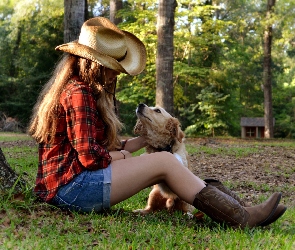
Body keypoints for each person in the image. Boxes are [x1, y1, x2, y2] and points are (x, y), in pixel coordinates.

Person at [28, 17, 286, 229]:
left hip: (68, 187)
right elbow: (89, 158)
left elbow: (99, 148)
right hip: (72, 190)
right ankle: (241, 218)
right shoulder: (79, 94)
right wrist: (126, 158)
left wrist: (140, 142)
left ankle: (240, 210)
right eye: (113, 67)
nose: (116, 74)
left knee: (168, 163)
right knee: (164, 162)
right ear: (96, 65)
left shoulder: (78, 90)